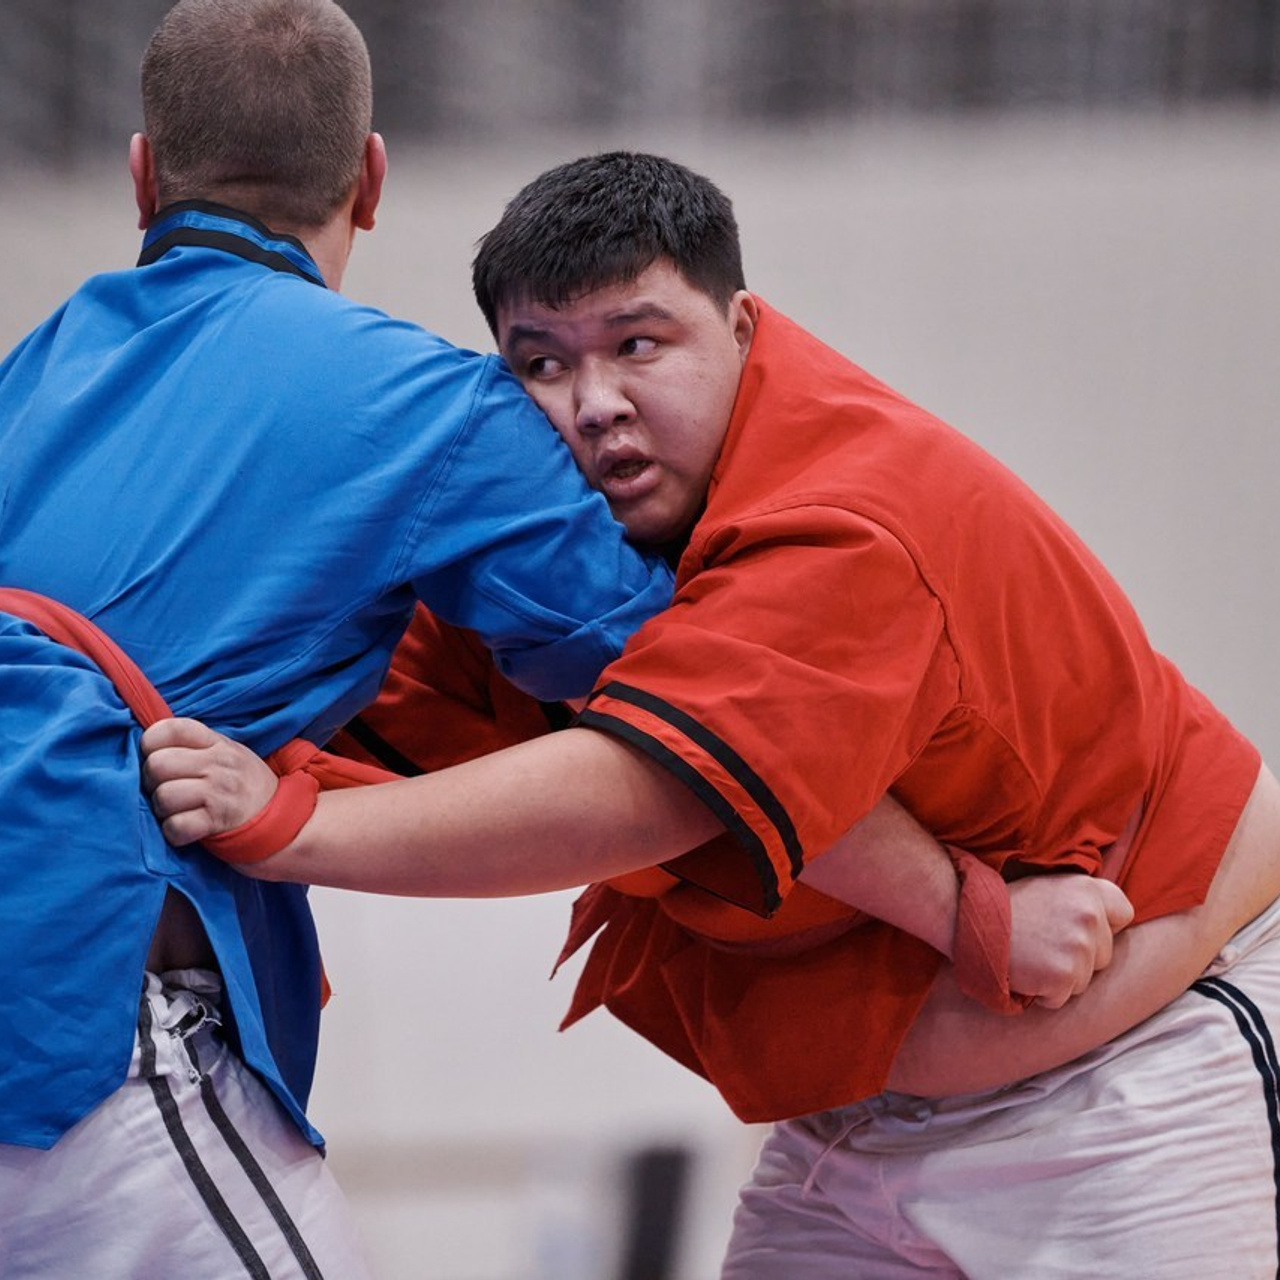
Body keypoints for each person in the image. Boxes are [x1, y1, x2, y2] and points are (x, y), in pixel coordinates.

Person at [142, 151, 1280, 1275]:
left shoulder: (848, 520)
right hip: (859, 1120)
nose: (594, 405)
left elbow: (654, 789)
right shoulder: (553, 540)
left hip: (1142, 1051)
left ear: (740, 326)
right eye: (540, 362)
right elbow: (364, 666)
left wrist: (288, 822)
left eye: (639, 343)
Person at [0, 8, 688, 1272]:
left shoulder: (22, 380)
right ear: (369, 179)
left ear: (143, 173)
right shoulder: (427, 404)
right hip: (70, 1020)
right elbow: (690, 693)